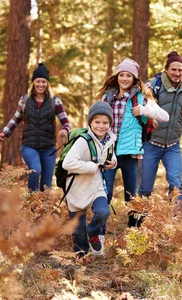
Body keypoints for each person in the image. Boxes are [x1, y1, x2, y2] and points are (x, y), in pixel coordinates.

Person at [96, 58, 169, 227]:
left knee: (131, 198)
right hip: (109, 154)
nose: (124, 79)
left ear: (134, 79)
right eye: (121, 75)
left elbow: (165, 116)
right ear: (117, 77)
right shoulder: (107, 98)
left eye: (128, 75)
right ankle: (98, 231)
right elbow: (96, 123)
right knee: (104, 194)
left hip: (130, 155)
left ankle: (133, 234)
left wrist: (144, 110)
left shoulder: (140, 99)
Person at [0, 63, 71, 192]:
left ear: (47, 84)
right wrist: (5, 132)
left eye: (44, 82)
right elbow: (16, 119)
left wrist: (65, 130)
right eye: (38, 81)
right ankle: (31, 202)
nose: (41, 85)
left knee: (46, 185)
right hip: (29, 146)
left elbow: (66, 122)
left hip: (48, 148)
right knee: (35, 170)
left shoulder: (55, 101)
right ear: (33, 83)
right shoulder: (25, 101)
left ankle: (42, 211)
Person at [138, 51, 182, 206]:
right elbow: (138, 102)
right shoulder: (153, 84)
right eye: (174, 70)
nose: (177, 73)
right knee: (145, 187)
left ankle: (175, 224)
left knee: (176, 185)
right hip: (151, 143)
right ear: (166, 70)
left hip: (173, 145)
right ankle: (137, 223)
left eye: (180, 70)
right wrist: (149, 117)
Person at [62, 101, 117, 257]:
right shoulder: (82, 140)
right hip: (76, 187)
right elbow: (68, 163)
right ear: (90, 123)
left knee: (103, 212)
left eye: (105, 122)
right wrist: (90, 166)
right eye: (97, 122)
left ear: (110, 124)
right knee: (79, 234)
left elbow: (110, 155)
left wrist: (113, 163)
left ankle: (92, 231)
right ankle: (80, 259)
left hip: (96, 186)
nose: (101, 126)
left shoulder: (110, 139)